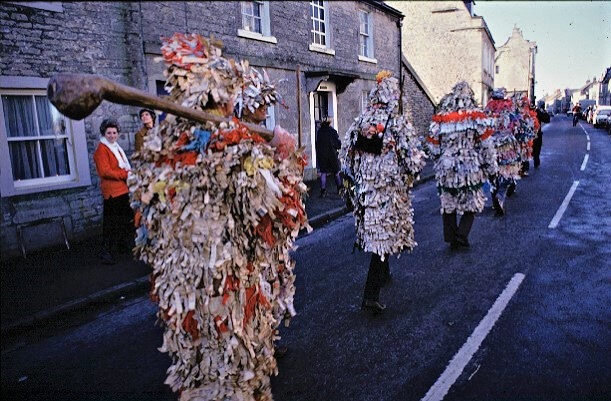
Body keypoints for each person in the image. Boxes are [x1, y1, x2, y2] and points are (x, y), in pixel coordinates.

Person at [129, 33, 308, 400]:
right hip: (228, 295)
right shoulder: (234, 149)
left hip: (182, 294)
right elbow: (283, 216)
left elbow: (145, 232)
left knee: (199, 373)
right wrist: (287, 156)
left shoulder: (155, 151)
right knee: (235, 375)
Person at [340, 70, 426, 315]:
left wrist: (355, 179)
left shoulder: (361, 121)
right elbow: (413, 159)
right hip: (388, 191)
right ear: (392, 96)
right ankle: (370, 296)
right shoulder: (396, 123)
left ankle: (384, 275)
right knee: (383, 236)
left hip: (366, 192)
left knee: (379, 234)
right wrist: (411, 170)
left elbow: (347, 156)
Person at [427, 81, 497, 250]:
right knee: (472, 201)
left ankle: (451, 237)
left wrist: (439, 159)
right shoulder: (476, 117)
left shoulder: (441, 119)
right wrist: (491, 167)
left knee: (448, 201)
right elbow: (486, 145)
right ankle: (462, 234)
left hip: (447, 167)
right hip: (470, 166)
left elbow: (433, 147)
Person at [93, 118, 134, 265]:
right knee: (111, 224)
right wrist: (125, 174)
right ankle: (105, 252)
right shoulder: (101, 150)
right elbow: (105, 172)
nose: (112, 135)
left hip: (122, 190)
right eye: (108, 133)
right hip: (112, 192)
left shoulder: (115, 147)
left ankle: (122, 246)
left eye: (114, 132)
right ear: (104, 133)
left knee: (124, 220)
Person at [315, 115, 342, 197]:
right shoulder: (332, 131)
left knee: (323, 173)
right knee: (336, 172)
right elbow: (338, 145)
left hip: (322, 155)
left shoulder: (319, 131)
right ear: (330, 122)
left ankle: (323, 191)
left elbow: (317, 144)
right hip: (331, 155)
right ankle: (340, 189)